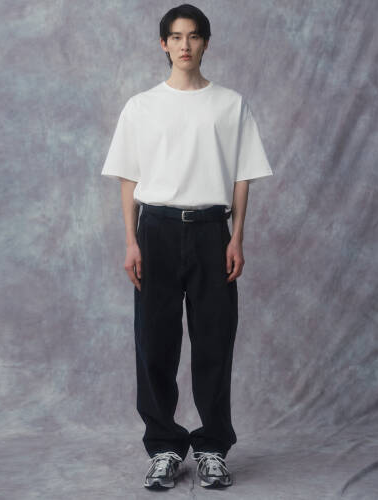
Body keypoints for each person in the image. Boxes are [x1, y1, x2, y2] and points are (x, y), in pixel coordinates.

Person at [101, 3, 273, 490]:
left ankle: (213, 448)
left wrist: (237, 236)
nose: (184, 45)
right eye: (175, 37)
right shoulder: (141, 106)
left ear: (205, 43)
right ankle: (164, 447)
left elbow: (242, 176)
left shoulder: (230, 104)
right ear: (163, 44)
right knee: (154, 343)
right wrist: (131, 241)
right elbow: (128, 179)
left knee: (214, 342)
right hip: (155, 230)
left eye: (193, 36)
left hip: (211, 231)